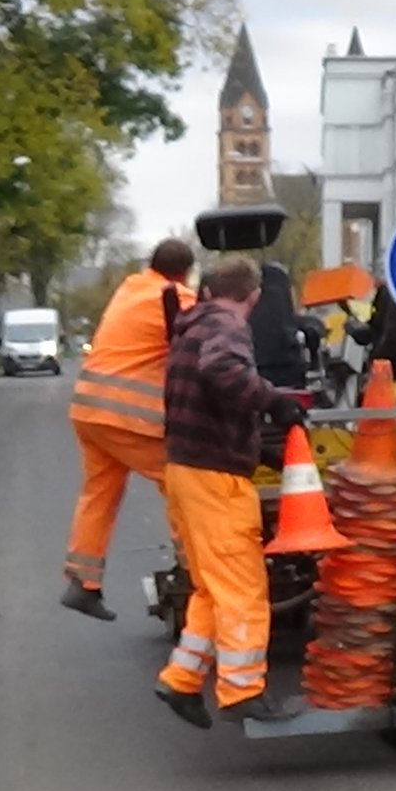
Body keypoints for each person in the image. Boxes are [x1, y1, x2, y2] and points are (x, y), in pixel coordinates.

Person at [153, 256, 309, 729]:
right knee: (242, 588)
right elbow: (222, 371)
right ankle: (242, 690)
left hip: (186, 470)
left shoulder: (191, 325)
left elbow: (206, 397)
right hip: (216, 480)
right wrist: (275, 403)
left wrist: (258, 450)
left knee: (211, 588)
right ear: (255, 298)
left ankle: (181, 680)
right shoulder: (227, 324)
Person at [60, 238, 199, 621]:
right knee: (181, 480)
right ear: (186, 272)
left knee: (99, 493)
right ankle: (197, 570)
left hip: (87, 408)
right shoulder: (177, 297)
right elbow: (203, 342)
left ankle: (83, 583)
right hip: (126, 414)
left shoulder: (131, 288)